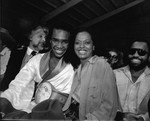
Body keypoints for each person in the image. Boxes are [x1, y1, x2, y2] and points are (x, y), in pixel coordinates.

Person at [0, 25, 74, 120]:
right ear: (50, 40)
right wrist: (5, 99)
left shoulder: (69, 70)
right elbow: (19, 83)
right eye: (55, 40)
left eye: (64, 42)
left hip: (46, 115)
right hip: (25, 106)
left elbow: (58, 104)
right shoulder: (37, 59)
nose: (59, 46)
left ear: (69, 43)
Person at [63, 30, 119, 120]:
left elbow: (109, 105)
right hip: (69, 114)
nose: (81, 46)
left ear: (93, 46)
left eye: (87, 43)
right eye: (77, 43)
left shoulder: (101, 64)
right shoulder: (79, 68)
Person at [0, 24, 49, 91]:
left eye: (45, 37)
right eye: (40, 36)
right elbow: (7, 76)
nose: (43, 40)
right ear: (30, 37)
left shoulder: (45, 60)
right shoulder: (16, 53)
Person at [114, 39, 150, 121]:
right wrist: (120, 116)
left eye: (141, 52)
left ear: (149, 56)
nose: (136, 55)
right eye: (132, 51)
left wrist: (142, 118)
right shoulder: (114, 75)